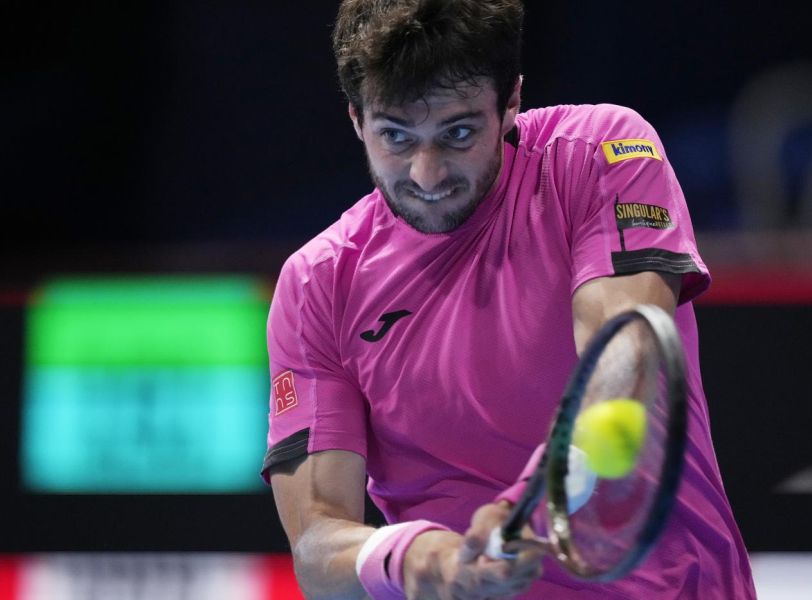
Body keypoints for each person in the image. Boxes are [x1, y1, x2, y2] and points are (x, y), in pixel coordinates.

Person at [262, 0, 756, 597]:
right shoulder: (316, 285)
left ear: (512, 101)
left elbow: (625, 361)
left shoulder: (599, 152)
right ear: (356, 119)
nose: (426, 174)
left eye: (458, 133)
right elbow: (317, 551)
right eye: (395, 136)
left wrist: (533, 501)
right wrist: (420, 558)